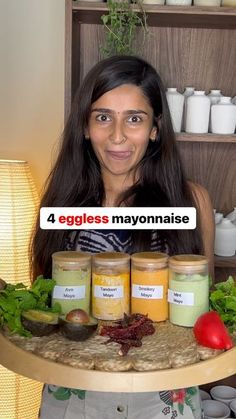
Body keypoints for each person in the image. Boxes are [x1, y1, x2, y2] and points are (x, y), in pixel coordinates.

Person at [32, 55, 214, 419]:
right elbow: (44, 304)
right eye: (103, 117)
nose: (117, 135)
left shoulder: (191, 201)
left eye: (134, 118)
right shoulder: (61, 204)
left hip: (162, 399)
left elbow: (199, 310)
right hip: (74, 397)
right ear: (85, 126)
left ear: (154, 128)